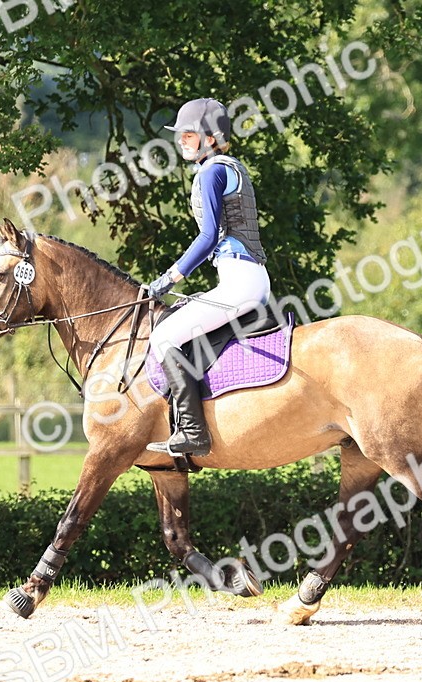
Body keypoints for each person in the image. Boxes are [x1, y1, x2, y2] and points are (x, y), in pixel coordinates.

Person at [144, 98, 271, 458]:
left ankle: (192, 431)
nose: (181, 140)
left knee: (164, 335)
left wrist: (169, 278)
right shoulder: (228, 167)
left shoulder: (212, 171)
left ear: (211, 137)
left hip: (240, 281)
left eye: (188, 134)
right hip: (245, 277)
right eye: (180, 135)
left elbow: (209, 236)